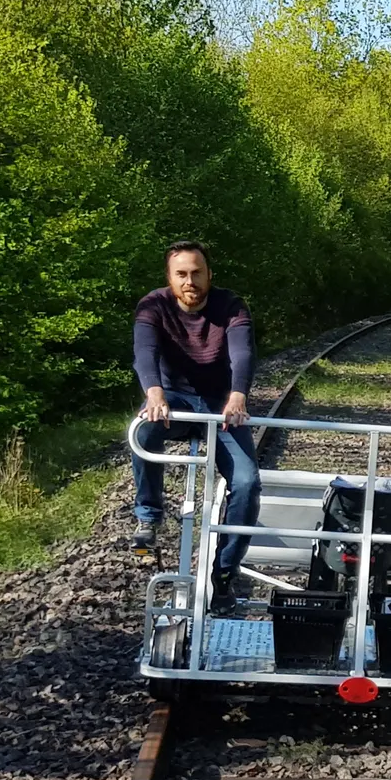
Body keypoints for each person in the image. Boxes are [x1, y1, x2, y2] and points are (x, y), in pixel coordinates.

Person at [130, 240, 259, 611]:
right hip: (174, 399)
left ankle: (223, 573)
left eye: (196, 273)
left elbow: (242, 353)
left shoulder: (230, 306)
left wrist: (238, 395)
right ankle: (149, 518)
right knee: (143, 432)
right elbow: (145, 353)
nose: (190, 281)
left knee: (248, 482)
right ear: (170, 278)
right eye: (181, 274)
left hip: (221, 406)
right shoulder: (154, 305)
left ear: (209, 274)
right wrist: (154, 394)